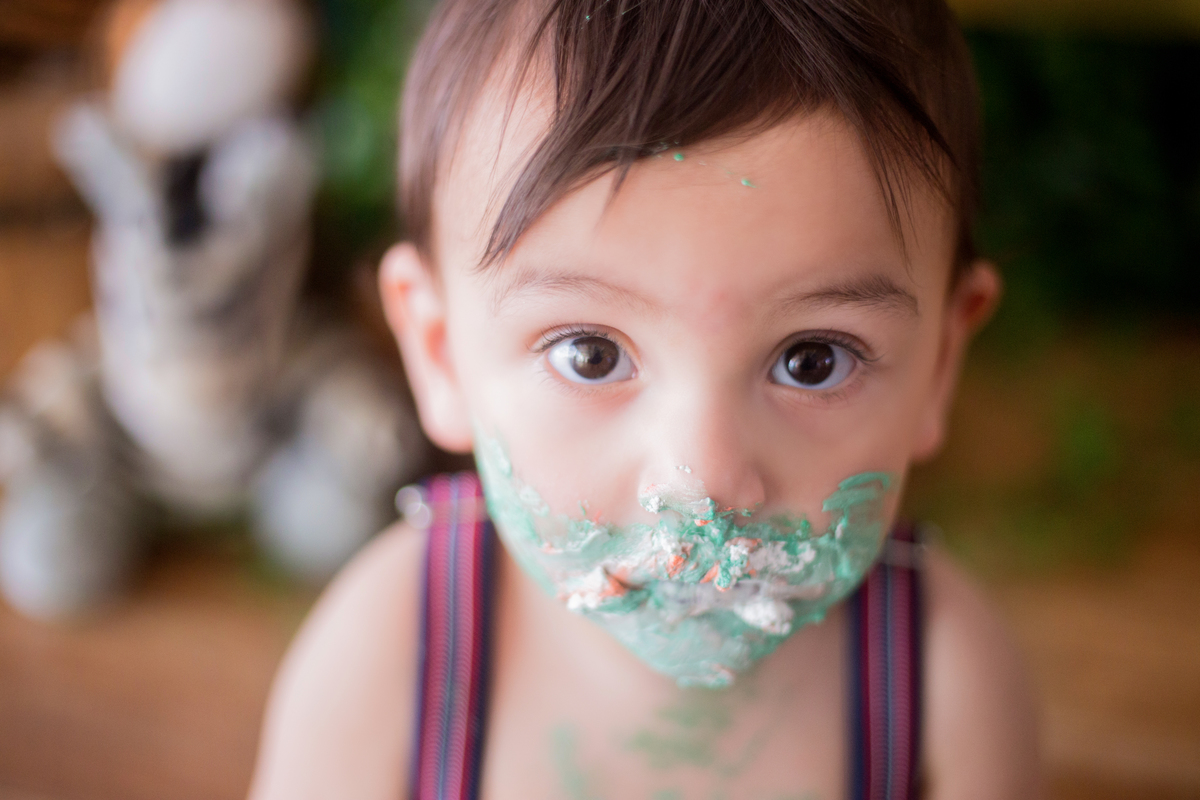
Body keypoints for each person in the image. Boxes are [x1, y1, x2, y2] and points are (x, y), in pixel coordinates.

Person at [248, 0, 1040, 797]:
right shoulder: (391, 656)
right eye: (590, 355)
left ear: (939, 363)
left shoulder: (943, 679)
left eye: (812, 360)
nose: (704, 481)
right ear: (439, 352)